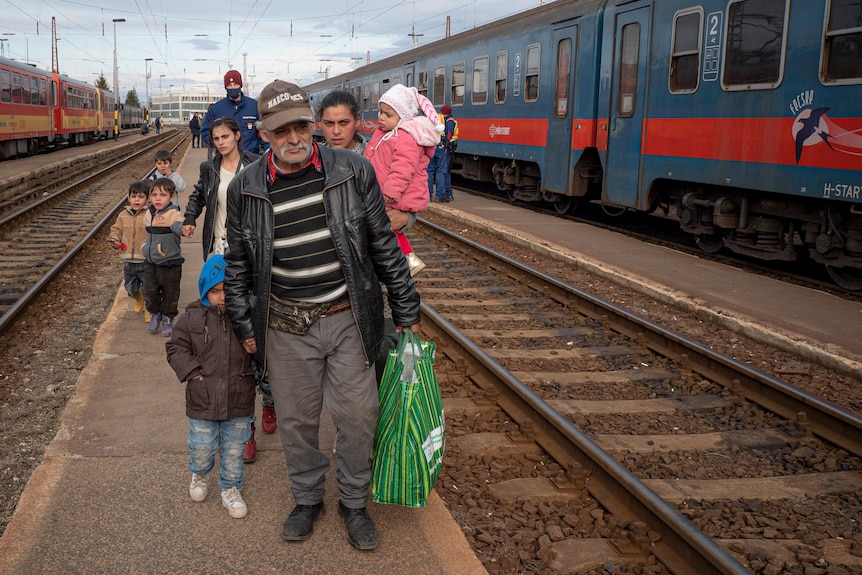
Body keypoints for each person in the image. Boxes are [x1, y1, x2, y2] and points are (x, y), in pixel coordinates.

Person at [223, 79, 421, 551]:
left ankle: (354, 502)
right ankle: (307, 498)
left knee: (358, 416)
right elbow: (238, 265)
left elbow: (382, 244)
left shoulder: (351, 171)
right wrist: (244, 324)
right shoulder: (245, 188)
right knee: (296, 422)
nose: (293, 139)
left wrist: (406, 309)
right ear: (263, 134)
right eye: (280, 131)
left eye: (300, 126)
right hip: (285, 325)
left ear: (311, 124)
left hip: (347, 317)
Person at [181, 116, 272, 464]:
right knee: (230, 337)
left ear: (238, 135)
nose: (220, 142)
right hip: (219, 255)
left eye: (225, 136)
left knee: (254, 331)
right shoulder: (208, 168)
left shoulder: (257, 165)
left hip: (250, 256)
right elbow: (197, 199)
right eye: (215, 137)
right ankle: (244, 427)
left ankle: (270, 400)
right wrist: (190, 219)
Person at [166, 254, 255, 519]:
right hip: (202, 397)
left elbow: (262, 348)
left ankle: (231, 488)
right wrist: (192, 372)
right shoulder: (191, 318)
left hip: (238, 397)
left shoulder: (246, 318)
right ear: (205, 290)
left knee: (234, 448)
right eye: (216, 291)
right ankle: (200, 473)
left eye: (229, 289)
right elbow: (175, 347)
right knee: (202, 445)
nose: (223, 296)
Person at [364, 84, 442, 277]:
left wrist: (390, 192)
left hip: (397, 194)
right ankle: (405, 260)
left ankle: (405, 260)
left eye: (388, 114)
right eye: (381, 112)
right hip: (386, 191)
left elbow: (402, 169)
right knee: (388, 228)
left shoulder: (405, 137)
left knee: (387, 227)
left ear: (403, 116)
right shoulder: (386, 134)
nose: (381, 118)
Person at [142, 177, 184, 337]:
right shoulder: (148, 214)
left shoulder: (173, 214)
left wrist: (183, 229)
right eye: (154, 195)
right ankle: (155, 313)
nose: (158, 198)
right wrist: (144, 249)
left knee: (170, 292)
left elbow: (178, 224)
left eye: (163, 195)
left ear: (172, 197)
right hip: (151, 261)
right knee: (149, 291)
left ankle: (168, 317)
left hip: (170, 262)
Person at [108, 180, 151, 325]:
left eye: (140, 197)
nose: (137, 200)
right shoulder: (122, 215)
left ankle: (149, 309)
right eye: (134, 196)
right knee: (130, 288)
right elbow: (116, 230)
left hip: (145, 260)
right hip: (128, 260)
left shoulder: (149, 215)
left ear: (147, 199)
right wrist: (114, 239)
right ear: (128, 198)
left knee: (148, 288)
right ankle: (138, 298)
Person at [201, 70, 265, 154]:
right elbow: (205, 131)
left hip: (250, 159)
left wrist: (267, 151)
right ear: (225, 87)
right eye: (229, 85)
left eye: (235, 84)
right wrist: (218, 145)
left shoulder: (254, 106)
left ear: (240, 85)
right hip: (225, 159)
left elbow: (265, 131)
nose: (232, 87)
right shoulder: (216, 109)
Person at [427, 104, 459, 203]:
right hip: (442, 147)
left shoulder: (432, 118)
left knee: (429, 171)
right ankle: (440, 196)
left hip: (431, 146)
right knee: (441, 171)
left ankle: (428, 195)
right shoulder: (449, 121)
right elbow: (448, 134)